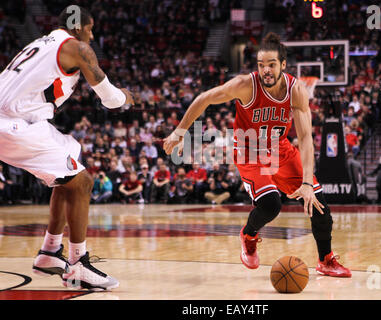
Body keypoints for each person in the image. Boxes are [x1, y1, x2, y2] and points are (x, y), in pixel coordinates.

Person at [163, 33, 351, 277]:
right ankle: (249, 234)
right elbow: (205, 98)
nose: (266, 71)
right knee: (271, 204)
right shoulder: (245, 85)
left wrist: (306, 183)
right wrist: (180, 132)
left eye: (272, 64)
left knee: (319, 205)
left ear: (283, 65)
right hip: (249, 151)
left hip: (280, 149)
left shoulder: (296, 90)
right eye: (261, 65)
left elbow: (305, 139)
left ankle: (325, 259)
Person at [0, 6, 134, 290]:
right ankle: (77, 264)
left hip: (18, 120)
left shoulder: (40, 43)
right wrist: (126, 98)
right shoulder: (76, 47)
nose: (92, 34)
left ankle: (49, 252)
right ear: (77, 27)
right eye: (90, 28)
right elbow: (109, 99)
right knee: (83, 181)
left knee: (70, 157)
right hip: (13, 124)